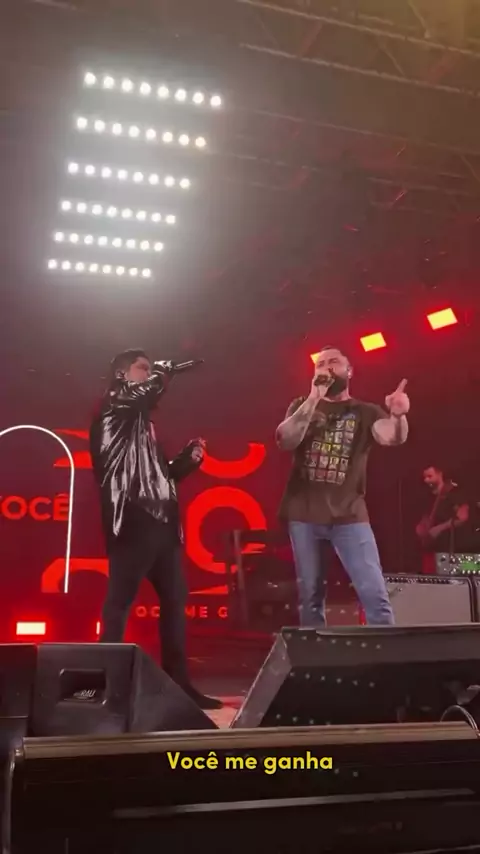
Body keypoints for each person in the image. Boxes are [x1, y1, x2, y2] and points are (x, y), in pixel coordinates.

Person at [90, 349, 222, 710]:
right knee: (119, 603)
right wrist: (163, 373)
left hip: (163, 522)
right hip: (133, 519)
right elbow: (143, 392)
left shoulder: (143, 424)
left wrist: (187, 460)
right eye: (142, 369)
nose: (149, 374)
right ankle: (106, 687)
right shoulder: (114, 405)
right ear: (122, 375)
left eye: (151, 369)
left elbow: (162, 477)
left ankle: (179, 685)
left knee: (175, 601)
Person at [276, 345, 409, 627]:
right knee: (310, 597)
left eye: (334, 361)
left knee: (375, 594)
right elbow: (284, 440)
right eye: (320, 364)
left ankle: (386, 653)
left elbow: (392, 437)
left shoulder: (365, 411)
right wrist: (314, 397)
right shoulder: (301, 405)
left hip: (349, 516)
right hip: (304, 515)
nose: (326, 367)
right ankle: (314, 653)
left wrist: (398, 416)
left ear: (349, 371)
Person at [416, 466, 470, 574]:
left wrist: (439, 528)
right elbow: (425, 519)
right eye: (424, 477)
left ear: (440, 474)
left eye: (430, 476)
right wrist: (421, 528)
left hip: (450, 550)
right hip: (431, 550)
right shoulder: (428, 496)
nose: (426, 480)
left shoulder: (453, 492)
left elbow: (463, 517)